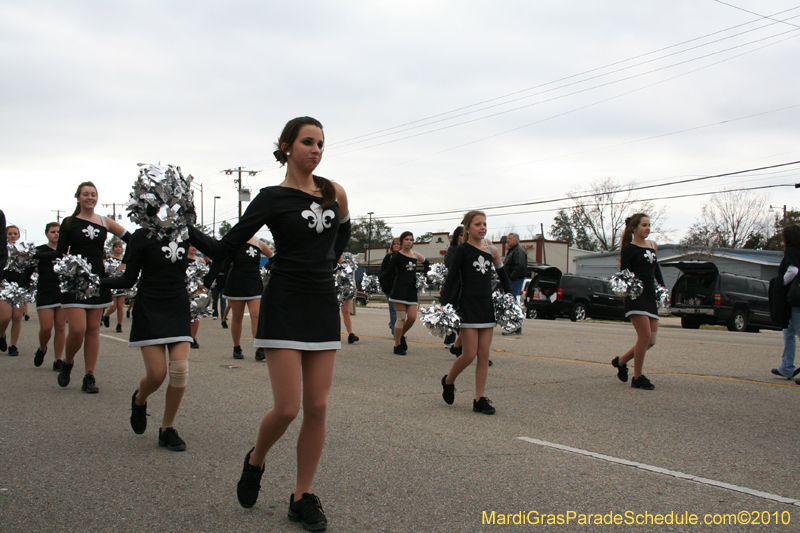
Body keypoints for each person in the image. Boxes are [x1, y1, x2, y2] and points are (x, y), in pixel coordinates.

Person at [189, 117, 348, 531]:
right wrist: (183, 225)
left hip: (321, 303)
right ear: (286, 146)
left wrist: (330, 261)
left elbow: (342, 232)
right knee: (288, 407)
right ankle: (255, 459)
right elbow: (225, 246)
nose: (316, 150)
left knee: (318, 406)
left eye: (321, 144)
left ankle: (302, 496)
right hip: (283, 303)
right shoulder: (271, 197)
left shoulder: (334, 192)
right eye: (308, 142)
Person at [100, 228, 193, 451]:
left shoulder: (186, 232)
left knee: (179, 370)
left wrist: (206, 283)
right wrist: (95, 281)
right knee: (157, 374)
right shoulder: (141, 236)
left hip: (178, 304)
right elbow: (129, 278)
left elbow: (220, 252)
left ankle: (167, 429)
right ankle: (139, 399)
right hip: (150, 305)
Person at [34, 182, 130, 393]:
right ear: (77, 197)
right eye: (86, 194)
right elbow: (60, 253)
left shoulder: (105, 221)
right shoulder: (69, 223)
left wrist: (125, 263)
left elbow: (132, 240)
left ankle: (89, 375)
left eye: (93, 194)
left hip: (98, 280)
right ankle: (68, 363)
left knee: (93, 330)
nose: (90, 197)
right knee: (77, 329)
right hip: (74, 281)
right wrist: (34, 255)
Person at [440, 211, 510, 415]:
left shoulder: (492, 250)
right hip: (467, 306)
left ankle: (479, 399)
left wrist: (510, 298)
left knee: (483, 354)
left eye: (485, 224)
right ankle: (448, 380)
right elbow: (451, 278)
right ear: (467, 228)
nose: (482, 227)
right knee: (469, 354)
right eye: (478, 224)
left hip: (486, 307)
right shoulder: (462, 250)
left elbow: (503, 276)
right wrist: (444, 304)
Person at [611, 213, 663, 391]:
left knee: (652, 340)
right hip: (636, 295)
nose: (648, 228)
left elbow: (656, 269)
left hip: (650, 296)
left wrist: (662, 287)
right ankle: (637, 376)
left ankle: (621, 361)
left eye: (649, 225)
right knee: (645, 336)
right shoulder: (629, 249)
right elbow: (624, 273)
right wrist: (630, 289)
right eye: (644, 225)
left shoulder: (653, 245)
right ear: (634, 228)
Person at [206, 238, 273, 359]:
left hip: (254, 283)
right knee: (237, 317)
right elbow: (222, 263)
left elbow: (273, 258)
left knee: (256, 314)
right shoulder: (235, 242)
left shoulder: (259, 244)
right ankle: (236, 347)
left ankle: (259, 348)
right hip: (237, 283)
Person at [29, 222, 66, 369]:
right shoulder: (40, 250)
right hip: (45, 292)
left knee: (61, 327)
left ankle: (58, 360)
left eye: (58, 232)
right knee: (46, 328)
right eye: (53, 232)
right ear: (46, 234)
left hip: (62, 292)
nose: (56, 234)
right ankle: (42, 348)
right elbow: (29, 269)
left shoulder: (66, 251)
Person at [386, 231, 428, 355]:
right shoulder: (397, 256)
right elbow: (388, 271)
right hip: (399, 290)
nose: (409, 241)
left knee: (412, 318)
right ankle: (397, 345)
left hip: (412, 291)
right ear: (402, 241)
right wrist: (383, 285)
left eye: (411, 239)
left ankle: (400, 336)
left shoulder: (416, 255)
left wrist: (423, 277)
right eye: (407, 239)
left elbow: (427, 264)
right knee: (401, 318)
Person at [772, 224, 800, 380]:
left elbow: (794, 270)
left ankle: (787, 367)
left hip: (796, 300)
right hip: (794, 299)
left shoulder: (792, 252)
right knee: (788, 332)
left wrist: (782, 283)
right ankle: (786, 367)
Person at [0, 225, 25, 356]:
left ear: (19, 235)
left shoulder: (23, 249)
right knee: (5, 317)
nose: (13, 236)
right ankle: (1, 334)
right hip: (4, 284)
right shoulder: (2, 249)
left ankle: (13, 345)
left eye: (15, 233)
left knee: (17, 317)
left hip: (19, 284)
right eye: (10, 233)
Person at [501, 232, 527, 336]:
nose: (507, 240)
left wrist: (511, 278)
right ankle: (516, 326)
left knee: (512, 303)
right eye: (507, 238)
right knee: (510, 303)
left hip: (515, 281)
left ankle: (514, 326)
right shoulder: (512, 251)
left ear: (515, 240)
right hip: (511, 281)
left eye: (510, 238)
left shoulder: (518, 251)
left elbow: (520, 266)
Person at [443, 226, 463, 352]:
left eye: (464, 235)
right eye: (461, 235)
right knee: (453, 312)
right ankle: (450, 339)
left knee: (462, 314)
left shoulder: (470, 249)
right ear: (456, 237)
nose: (463, 238)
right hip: (455, 284)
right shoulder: (452, 249)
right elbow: (448, 263)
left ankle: (460, 340)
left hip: (465, 285)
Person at [102, 239, 126, 333]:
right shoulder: (109, 260)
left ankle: (119, 325)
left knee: (120, 306)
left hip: (122, 284)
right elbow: (106, 271)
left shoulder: (124, 260)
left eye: (119, 247)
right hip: (112, 283)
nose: (118, 248)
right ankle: (107, 315)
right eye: (116, 247)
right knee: (113, 307)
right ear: (113, 249)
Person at [379, 238, 401, 336]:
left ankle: (393, 325)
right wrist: (385, 287)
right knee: (393, 310)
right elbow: (382, 273)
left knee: (402, 312)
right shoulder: (388, 257)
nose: (396, 245)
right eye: (394, 244)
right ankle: (395, 332)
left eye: (398, 244)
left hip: (401, 289)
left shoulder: (404, 257)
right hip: (390, 289)